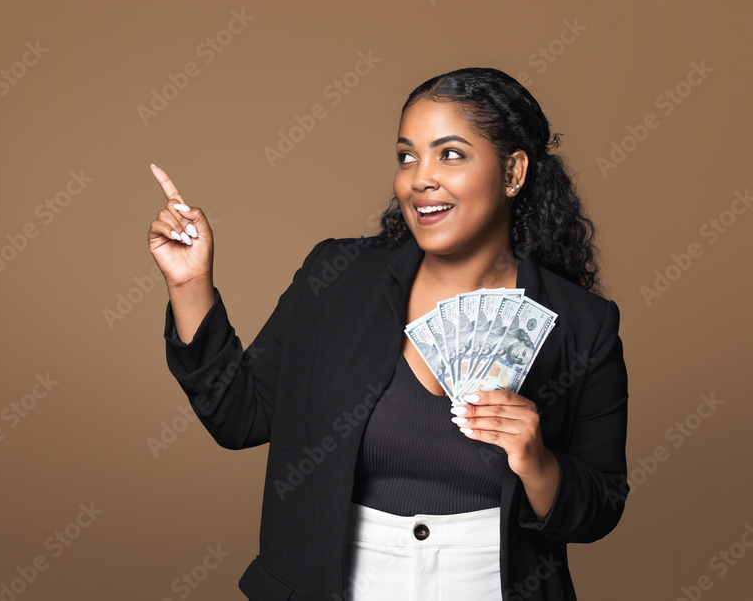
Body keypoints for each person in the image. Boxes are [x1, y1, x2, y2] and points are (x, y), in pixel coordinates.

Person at [148, 67, 629, 600]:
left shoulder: (581, 323)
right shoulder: (336, 278)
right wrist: (191, 284)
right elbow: (239, 417)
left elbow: (600, 508)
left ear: (513, 172)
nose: (420, 178)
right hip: (339, 585)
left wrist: (538, 462)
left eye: (450, 154)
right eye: (407, 156)